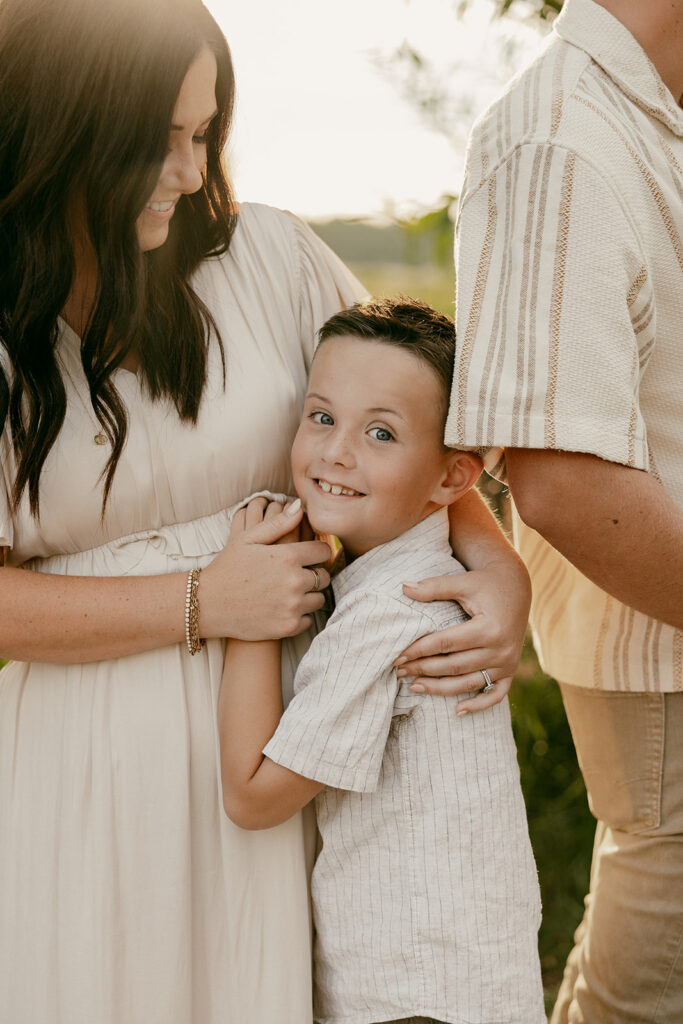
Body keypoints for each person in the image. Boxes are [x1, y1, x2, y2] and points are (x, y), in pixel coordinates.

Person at [0, 1, 534, 1021]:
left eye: (203, 133)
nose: (193, 172)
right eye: (159, 141)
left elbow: (411, 432)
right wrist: (201, 600)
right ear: (63, 132)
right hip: (87, 768)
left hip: (293, 732)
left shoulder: (273, 259)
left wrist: (497, 572)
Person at [444, 0, 683, 1020]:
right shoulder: (557, 138)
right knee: (648, 996)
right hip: (662, 672)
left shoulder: (646, 119)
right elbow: (561, 482)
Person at [219, 298, 545, 1024]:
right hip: (458, 980)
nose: (335, 452)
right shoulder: (398, 583)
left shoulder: (389, 616)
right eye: (321, 416)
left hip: (411, 993)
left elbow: (252, 797)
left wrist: (248, 609)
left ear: (451, 479)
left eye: (380, 433)